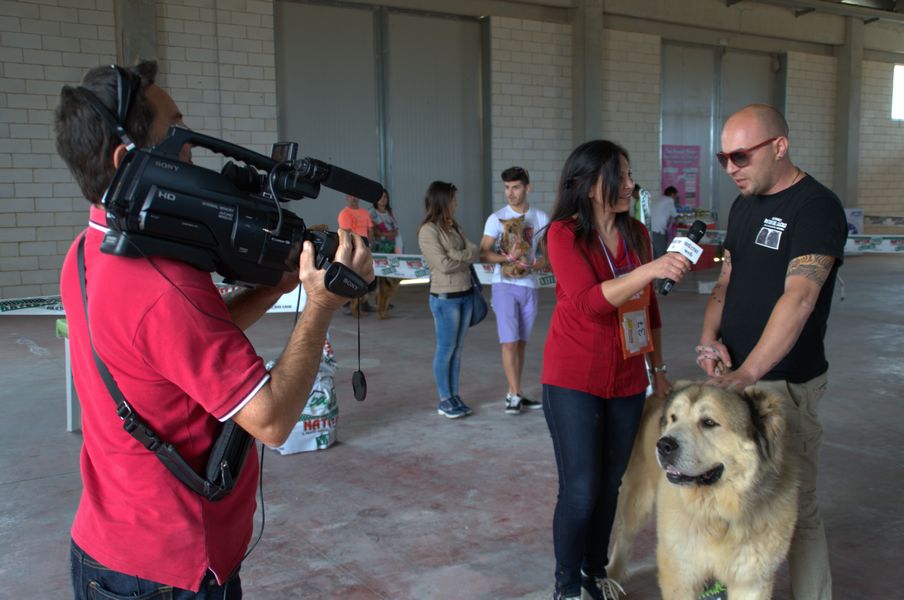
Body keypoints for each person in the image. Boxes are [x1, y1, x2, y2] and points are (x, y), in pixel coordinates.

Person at [55, 61, 373, 599]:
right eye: (178, 139)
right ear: (125, 160)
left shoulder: (87, 251)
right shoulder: (162, 284)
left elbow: (177, 343)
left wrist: (274, 287)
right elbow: (270, 420)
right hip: (166, 572)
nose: (191, 154)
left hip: (107, 551)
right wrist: (320, 303)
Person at [697, 104, 847, 600]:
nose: (731, 168)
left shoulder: (816, 208)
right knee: (725, 499)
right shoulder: (743, 205)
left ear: (779, 147)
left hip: (782, 383)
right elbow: (726, 279)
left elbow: (800, 296)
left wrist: (750, 373)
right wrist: (709, 338)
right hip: (733, 380)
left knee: (796, 510)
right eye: (723, 158)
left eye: (740, 156)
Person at [540, 140, 692, 600]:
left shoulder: (638, 236)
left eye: (629, 175)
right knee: (582, 489)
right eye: (621, 176)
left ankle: (593, 570)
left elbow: (648, 311)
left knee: (610, 486)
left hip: (627, 381)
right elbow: (589, 302)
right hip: (573, 380)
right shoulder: (564, 234)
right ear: (589, 185)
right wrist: (649, 271)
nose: (630, 184)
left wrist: (657, 368)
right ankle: (566, 584)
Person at [479, 166, 549, 414]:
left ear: (527, 188)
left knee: (520, 343)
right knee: (508, 343)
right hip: (504, 285)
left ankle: (515, 392)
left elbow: (547, 255)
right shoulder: (496, 218)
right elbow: (484, 252)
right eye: (507, 187)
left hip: (529, 286)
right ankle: (513, 396)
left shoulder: (540, 217)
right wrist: (508, 258)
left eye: (516, 187)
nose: (510, 193)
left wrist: (536, 263)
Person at [417, 181, 481, 419]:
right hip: (445, 299)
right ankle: (444, 399)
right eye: (453, 199)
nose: (456, 204)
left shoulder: (453, 226)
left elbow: (474, 249)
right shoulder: (428, 231)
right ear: (443, 201)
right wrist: (463, 257)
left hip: (465, 294)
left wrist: (458, 255)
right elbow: (442, 264)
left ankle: (454, 395)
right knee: (446, 350)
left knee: (458, 350)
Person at [338, 194, 375, 315]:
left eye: (355, 196)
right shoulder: (344, 214)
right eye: (350, 196)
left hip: (366, 248)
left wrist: (369, 244)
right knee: (353, 277)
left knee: (366, 276)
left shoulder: (365, 213)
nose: (353, 198)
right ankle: (351, 304)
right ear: (346, 198)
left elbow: (370, 230)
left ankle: (364, 303)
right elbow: (346, 233)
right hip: (353, 250)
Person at [369, 189, 402, 318]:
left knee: (389, 280)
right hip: (378, 251)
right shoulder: (371, 213)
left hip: (391, 249)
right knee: (380, 282)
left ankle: (384, 306)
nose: (384, 199)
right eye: (381, 197)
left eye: (385, 197)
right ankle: (379, 307)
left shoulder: (390, 213)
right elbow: (374, 232)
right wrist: (387, 234)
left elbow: (396, 230)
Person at [650, 185, 679, 258]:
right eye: (676, 196)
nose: (676, 198)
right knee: (662, 255)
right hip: (658, 231)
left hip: (651, 230)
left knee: (655, 254)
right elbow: (675, 215)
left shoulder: (660, 199)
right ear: (672, 194)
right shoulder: (669, 200)